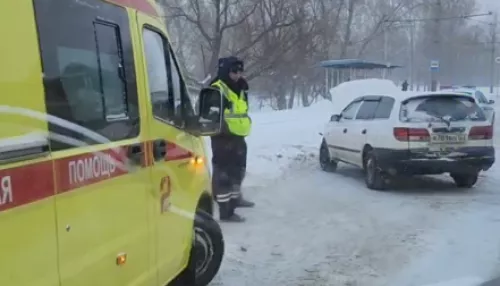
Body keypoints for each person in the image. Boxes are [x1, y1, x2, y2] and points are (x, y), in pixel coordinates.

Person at [209, 56, 253, 222]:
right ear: (226, 70)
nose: (238, 74)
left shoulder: (240, 88)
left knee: (238, 170)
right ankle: (225, 210)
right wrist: (222, 130)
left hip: (239, 136)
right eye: (234, 70)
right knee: (223, 174)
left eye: (240, 70)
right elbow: (211, 115)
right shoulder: (218, 88)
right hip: (223, 137)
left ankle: (236, 199)